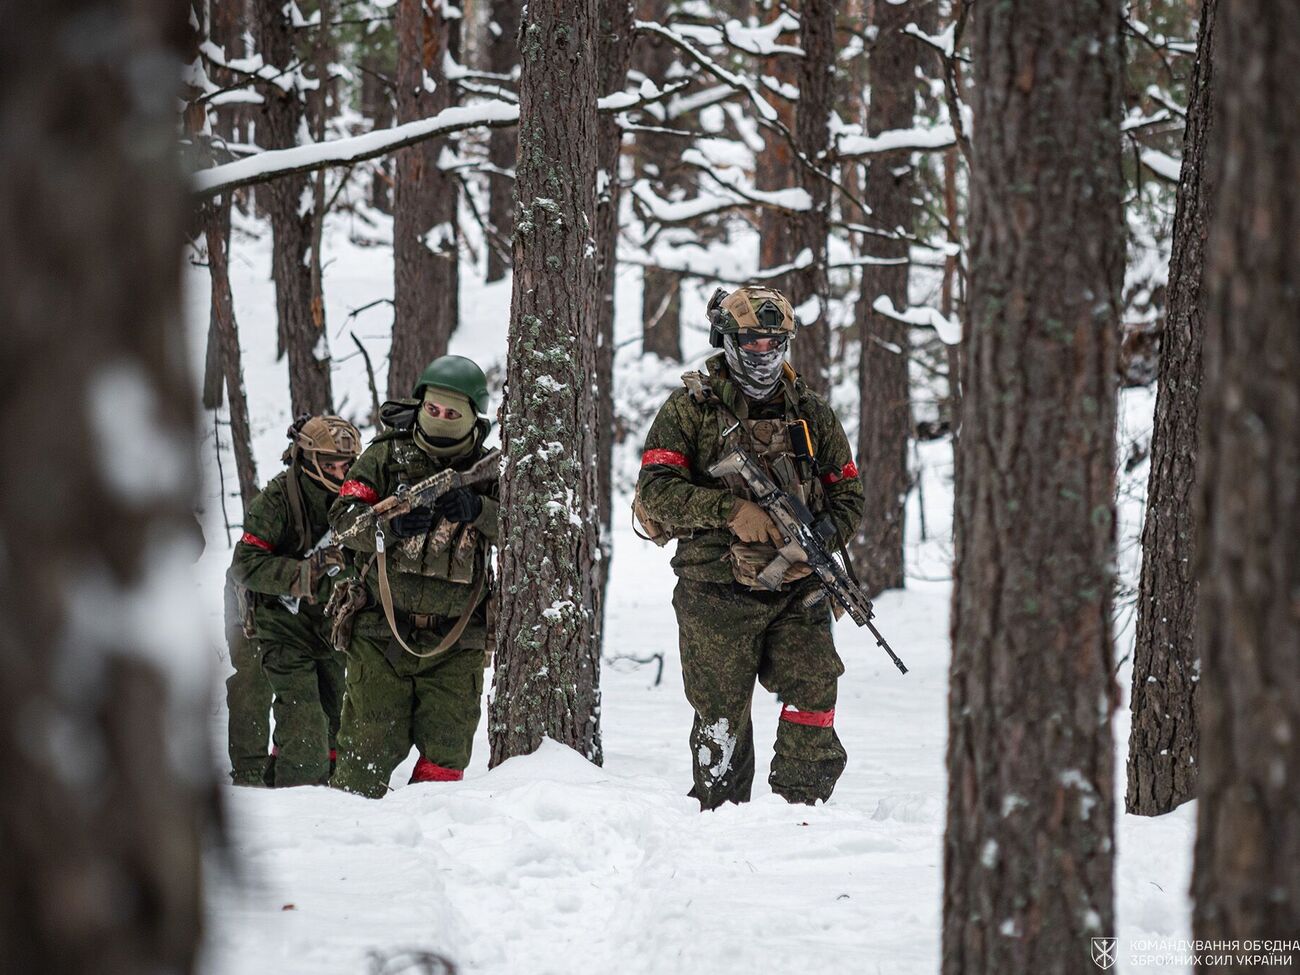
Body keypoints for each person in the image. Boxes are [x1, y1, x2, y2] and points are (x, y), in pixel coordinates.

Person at [635, 286, 865, 810]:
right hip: (714, 590)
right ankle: (722, 821)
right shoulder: (690, 408)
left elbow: (848, 494)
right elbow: (656, 491)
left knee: (814, 686)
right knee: (721, 717)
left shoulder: (812, 413)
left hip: (796, 587)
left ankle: (799, 812)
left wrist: (823, 537)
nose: (764, 355)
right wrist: (733, 512)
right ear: (728, 340)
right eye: (752, 343)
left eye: (774, 343)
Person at [328, 355, 498, 798]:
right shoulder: (385, 456)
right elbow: (342, 521)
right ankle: (357, 847)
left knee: (445, 760)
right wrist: (387, 527)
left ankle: (423, 855)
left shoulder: (491, 469)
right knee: (364, 759)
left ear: (472, 417)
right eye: (433, 409)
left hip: (456, 644)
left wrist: (480, 511)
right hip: (380, 635)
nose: (440, 420)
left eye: (452, 413)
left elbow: (531, 533)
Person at [229, 415, 361, 787]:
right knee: (289, 712)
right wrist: (304, 575)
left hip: (325, 619)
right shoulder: (277, 500)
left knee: (336, 713)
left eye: (346, 464)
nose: (339, 472)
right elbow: (245, 564)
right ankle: (266, 783)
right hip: (264, 613)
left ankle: (330, 791)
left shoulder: (356, 496)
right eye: (330, 464)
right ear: (307, 459)